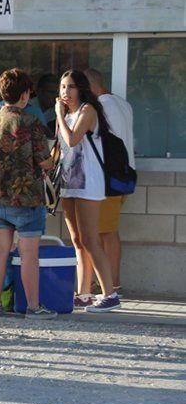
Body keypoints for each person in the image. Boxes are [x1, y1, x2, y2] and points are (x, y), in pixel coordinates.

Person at [0, 69, 57, 320]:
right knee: (29, 254)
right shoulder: (31, 122)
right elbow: (45, 161)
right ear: (25, 94)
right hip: (28, 197)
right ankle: (32, 306)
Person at [55, 70, 121, 313]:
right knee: (77, 240)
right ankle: (83, 294)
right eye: (62, 87)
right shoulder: (68, 114)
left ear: (81, 89)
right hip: (69, 182)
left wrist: (57, 116)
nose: (65, 92)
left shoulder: (87, 111)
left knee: (91, 239)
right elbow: (62, 148)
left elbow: (72, 139)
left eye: (70, 87)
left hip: (89, 183)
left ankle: (110, 293)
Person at [85, 68, 134, 299]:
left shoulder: (101, 108)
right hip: (124, 175)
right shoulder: (123, 104)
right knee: (106, 231)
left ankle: (112, 284)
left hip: (108, 177)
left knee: (106, 232)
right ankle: (109, 281)